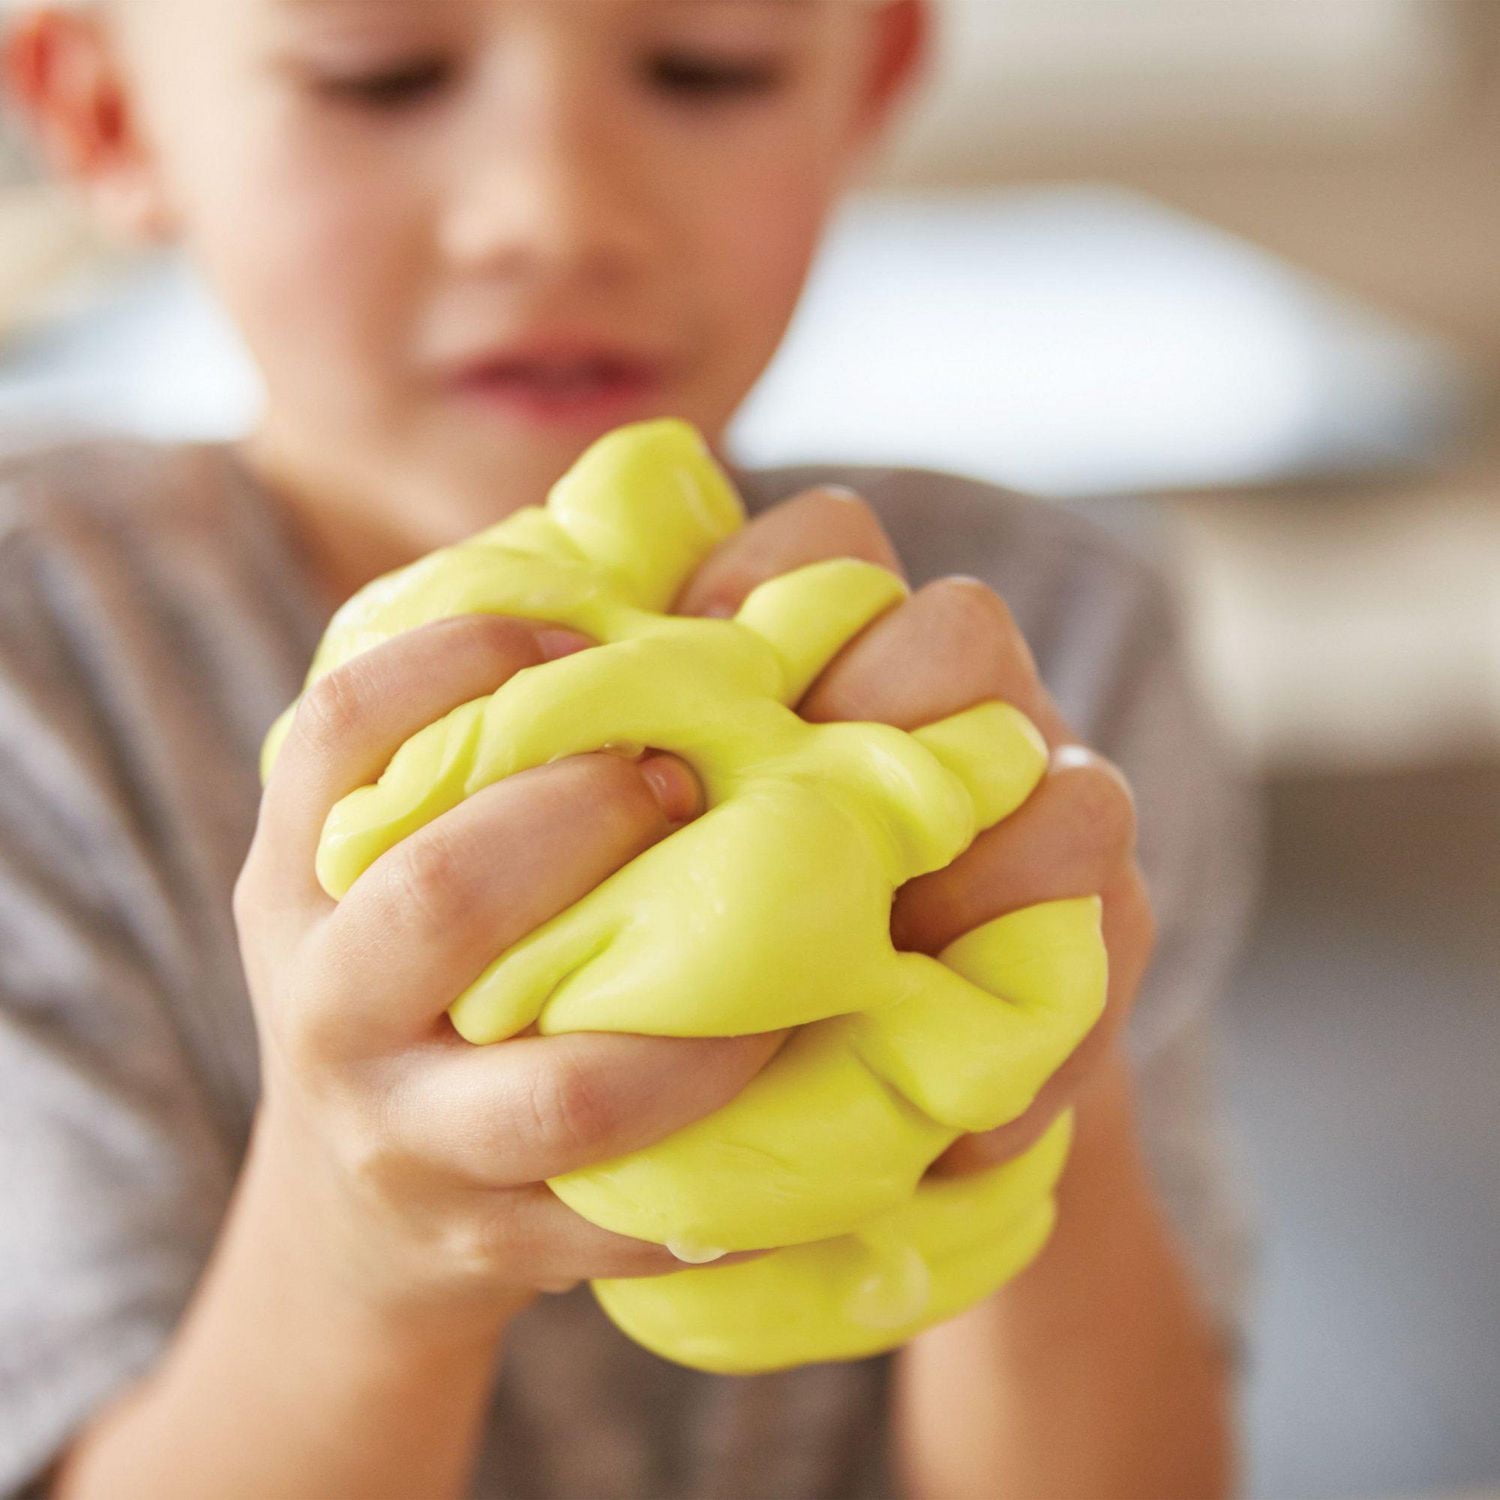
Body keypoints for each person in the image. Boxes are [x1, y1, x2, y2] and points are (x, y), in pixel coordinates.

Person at [0, 2, 1260, 1496]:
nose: (556, 212)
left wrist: (1042, 1087)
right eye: (380, 77)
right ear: (107, 117)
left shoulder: (1040, 643)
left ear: (875, 76)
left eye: (708, 66)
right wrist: (360, 1252)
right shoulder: (44, 685)